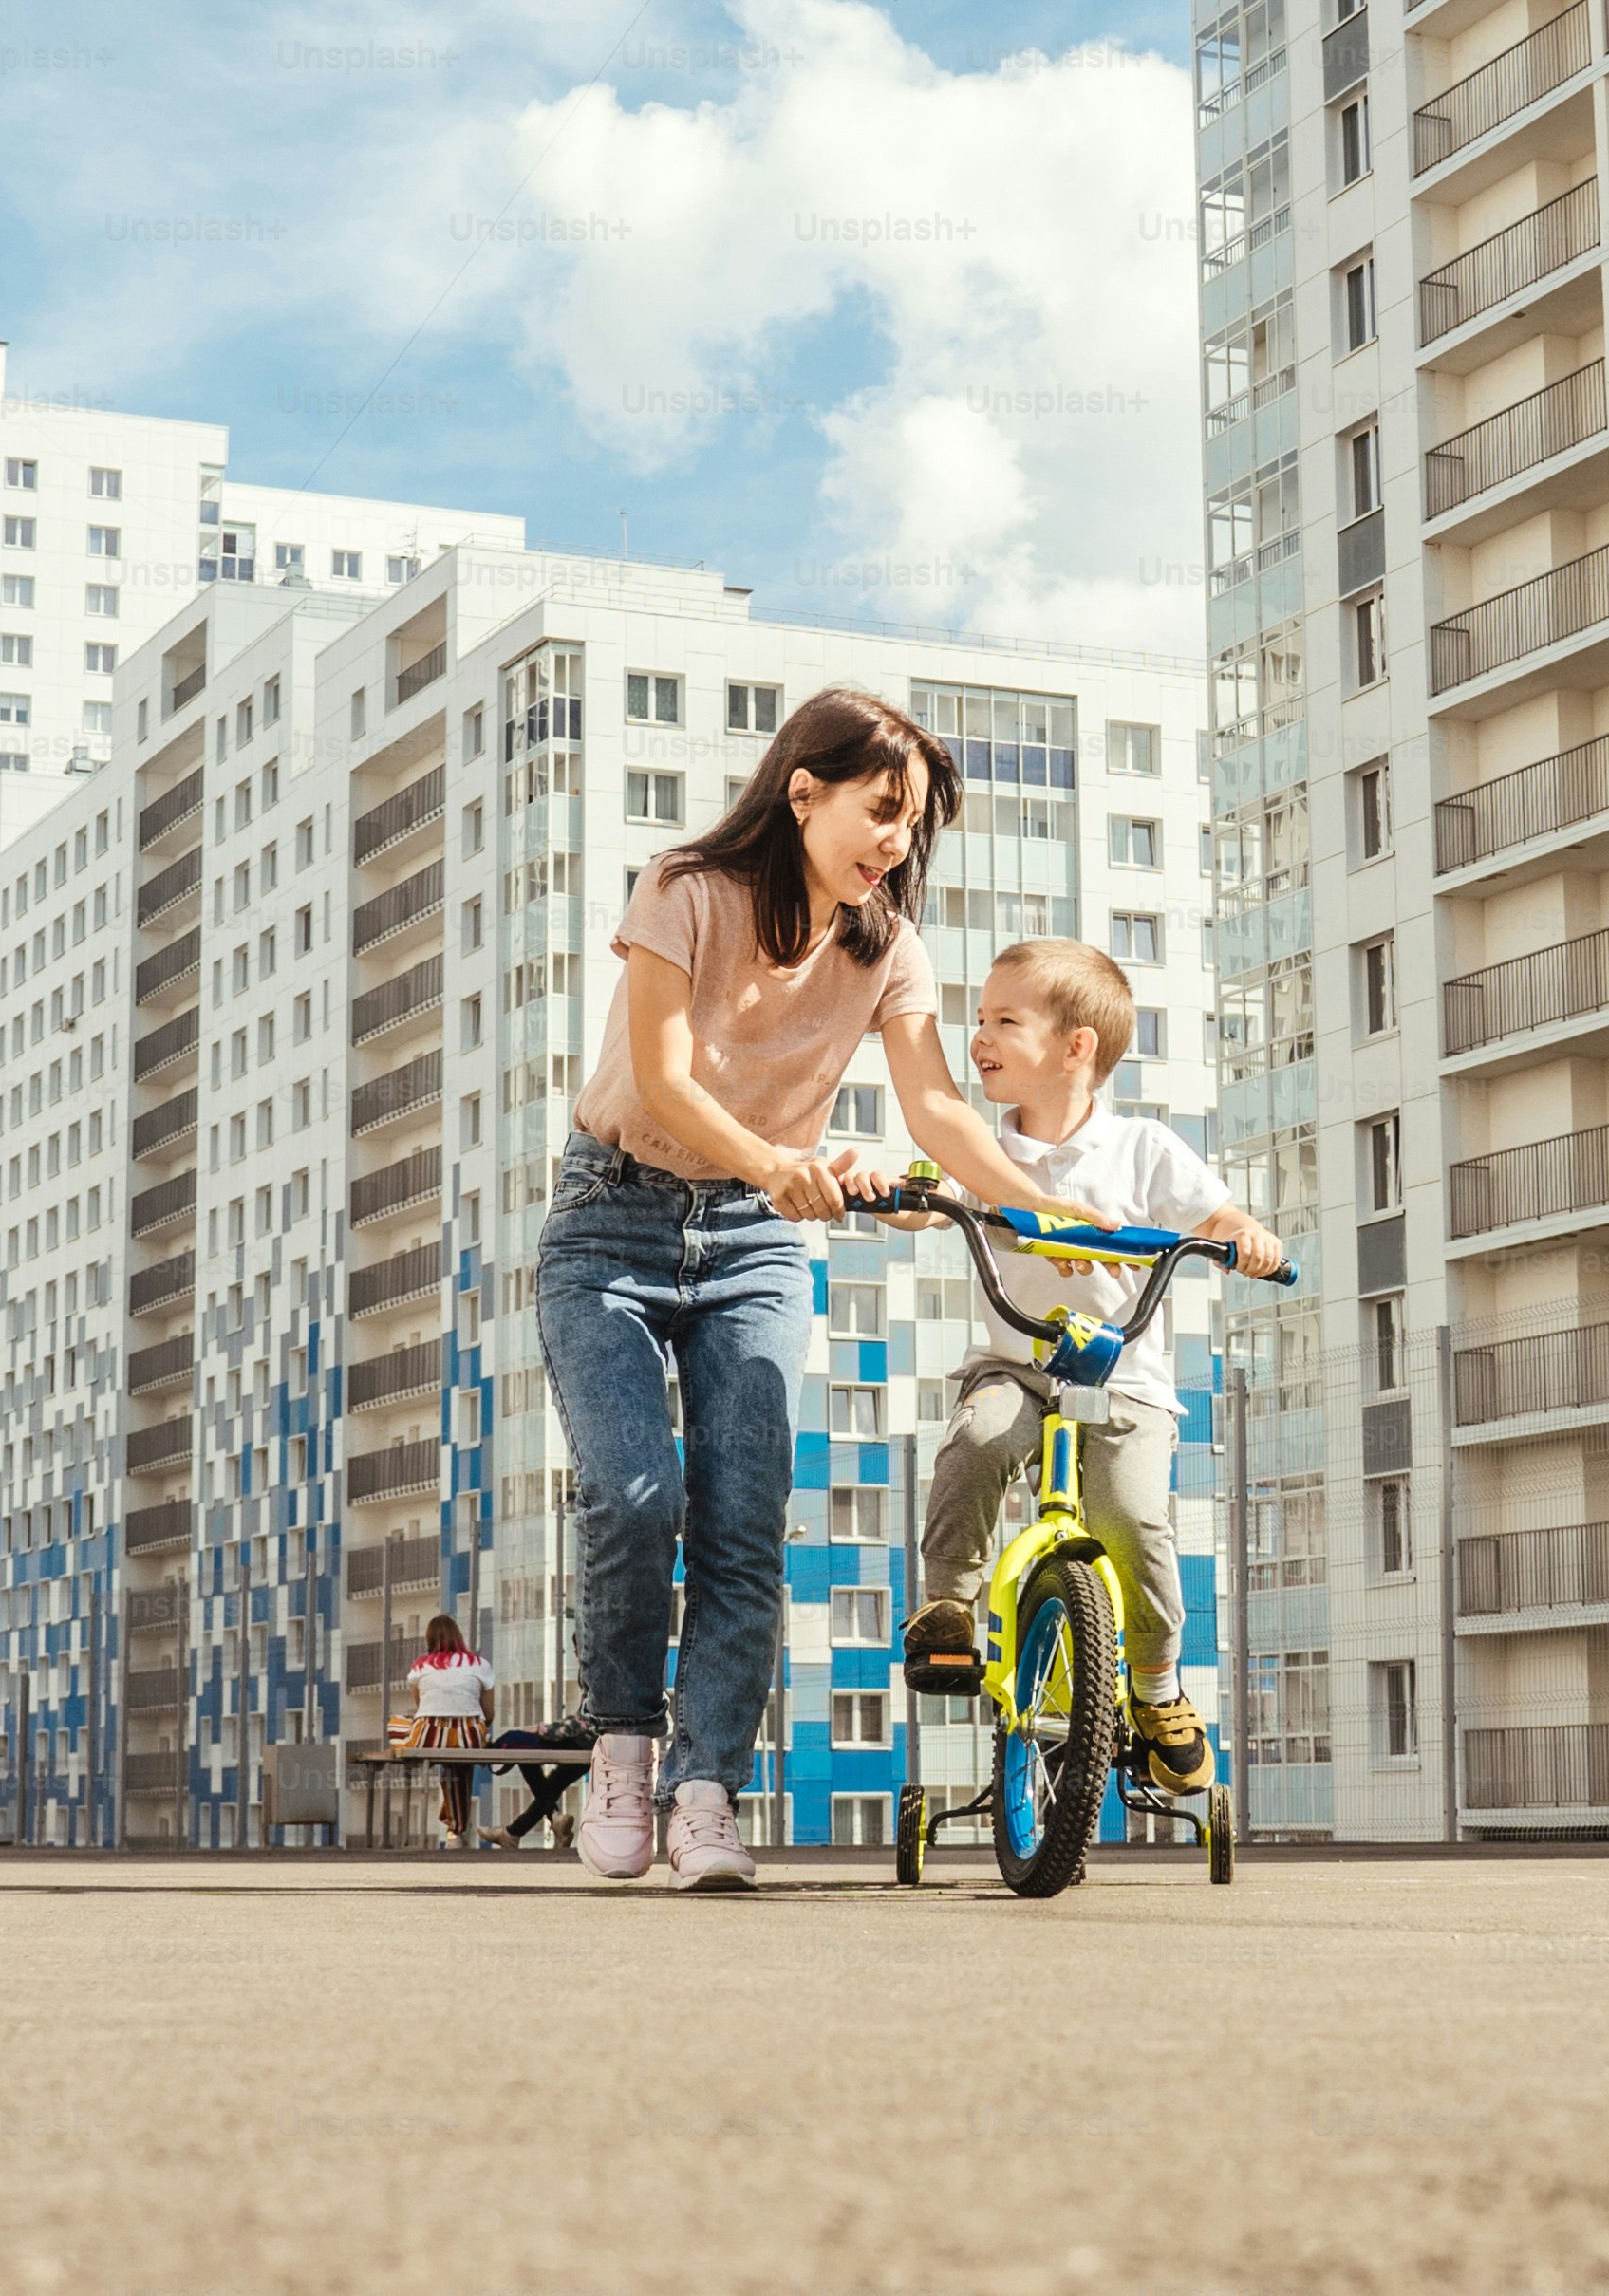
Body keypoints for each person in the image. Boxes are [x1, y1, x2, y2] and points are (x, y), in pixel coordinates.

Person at [544, 687, 1116, 1893]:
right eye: (881, 812)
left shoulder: (882, 943)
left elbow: (936, 1109)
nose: (894, 844)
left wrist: (1054, 1209)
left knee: (745, 1520)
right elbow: (659, 1074)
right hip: (611, 1224)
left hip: (753, 1242)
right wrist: (776, 1160)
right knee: (635, 1495)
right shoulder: (684, 891)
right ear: (802, 791)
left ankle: (706, 1792)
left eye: (910, 826)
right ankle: (624, 1744)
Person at [881, 939, 1287, 1795]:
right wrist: (906, 1202)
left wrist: (1246, 1237)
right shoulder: (983, 1152)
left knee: (1133, 1518)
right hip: (1012, 1364)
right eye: (978, 1019)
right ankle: (948, 1607)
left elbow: (1217, 1214)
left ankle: (1154, 1682)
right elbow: (930, 1189)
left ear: (1076, 1047)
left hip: (1120, 1376)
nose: (978, 1037)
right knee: (977, 1440)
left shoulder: (1142, 1150)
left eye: (1004, 1021)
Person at [400, 1615, 494, 1849]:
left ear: (429, 1639)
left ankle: (453, 1827)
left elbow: (421, 1708)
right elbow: (488, 1712)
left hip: (428, 1734)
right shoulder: (480, 1664)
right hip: (469, 1733)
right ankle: (456, 1830)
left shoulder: (420, 1666)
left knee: (399, 1722)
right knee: (457, 1763)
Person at [477, 1713, 595, 1850]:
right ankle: (514, 1832)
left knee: (518, 1742)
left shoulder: (598, 1692)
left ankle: (549, 1819)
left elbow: (586, 1721)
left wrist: (542, 1729)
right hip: (595, 1745)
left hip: (584, 1742)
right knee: (552, 1785)